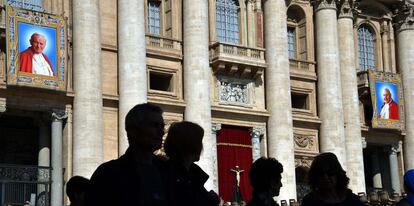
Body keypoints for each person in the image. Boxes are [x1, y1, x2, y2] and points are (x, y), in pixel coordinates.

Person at [85, 103, 167, 206]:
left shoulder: (167, 170)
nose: (162, 132)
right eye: (154, 125)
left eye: (162, 126)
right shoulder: (108, 174)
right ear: (133, 131)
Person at [163, 121, 220, 206]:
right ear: (189, 144)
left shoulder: (194, 175)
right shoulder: (167, 174)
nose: (202, 146)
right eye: (199, 141)